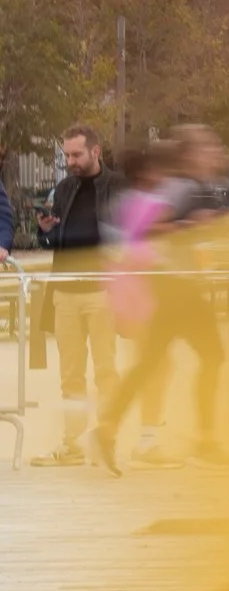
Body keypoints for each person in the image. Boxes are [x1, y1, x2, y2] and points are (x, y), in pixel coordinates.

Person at [92, 125, 229, 475]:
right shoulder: (180, 187)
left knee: (151, 363)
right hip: (175, 288)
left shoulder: (188, 186)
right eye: (207, 148)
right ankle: (206, 441)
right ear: (189, 155)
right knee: (212, 355)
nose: (214, 153)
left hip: (169, 286)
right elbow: (145, 228)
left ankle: (107, 427)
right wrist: (191, 227)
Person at [31, 126, 122, 467]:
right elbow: (54, 243)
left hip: (102, 290)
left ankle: (107, 438)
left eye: (76, 155)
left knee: (106, 369)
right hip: (65, 291)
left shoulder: (117, 186)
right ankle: (72, 444)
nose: (70, 162)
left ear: (96, 151)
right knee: (70, 373)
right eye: (67, 155)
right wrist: (45, 232)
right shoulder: (64, 188)